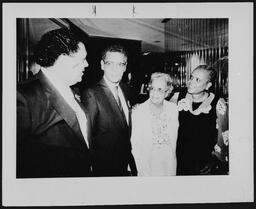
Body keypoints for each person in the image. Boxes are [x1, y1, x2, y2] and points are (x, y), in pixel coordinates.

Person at [17, 28, 91, 178]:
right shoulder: (23, 96)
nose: (87, 64)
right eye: (82, 60)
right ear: (62, 60)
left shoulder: (71, 88)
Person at [81, 45, 137, 177]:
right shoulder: (91, 94)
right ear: (102, 65)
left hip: (126, 166)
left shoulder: (126, 90)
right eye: (109, 63)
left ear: (125, 66)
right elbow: (87, 138)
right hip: (104, 170)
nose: (114, 69)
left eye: (120, 64)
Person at [175, 65, 228, 175]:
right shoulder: (179, 97)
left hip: (204, 162)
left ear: (208, 85)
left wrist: (215, 160)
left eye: (197, 80)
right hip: (179, 159)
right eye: (191, 77)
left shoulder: (217, 103)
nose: (191, 82)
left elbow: (224, 135)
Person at [131, 72, 179, 176]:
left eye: (160, 90)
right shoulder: (138, 112)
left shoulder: (173, 110)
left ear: (167, 92)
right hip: (146, 167)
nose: (154, 93)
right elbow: (135, 145)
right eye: (152, 88)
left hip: (168, 166)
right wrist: (139, 170)